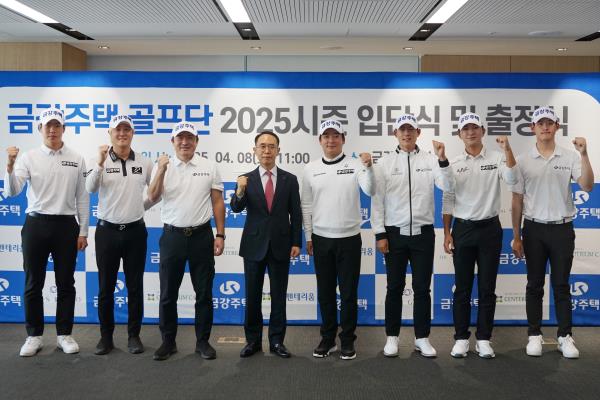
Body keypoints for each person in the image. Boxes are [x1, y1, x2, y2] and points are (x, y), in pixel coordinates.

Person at [4, 108, 89, 356]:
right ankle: (34, 336)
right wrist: (9, 166)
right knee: (33, 283)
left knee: (66, 283)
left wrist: (83, 231)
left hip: (66, 225)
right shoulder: (28, 157)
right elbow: (11, 191)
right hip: (36, 225)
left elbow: (82, 197)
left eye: (56, 125)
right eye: (47, 126)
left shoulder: (76, 158)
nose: (52, 130)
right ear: (40, 129)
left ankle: (64, 334)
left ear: (64, 129)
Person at [511, 106, 593, 359]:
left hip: (562, 229)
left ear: (557, 127)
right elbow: (517, 200)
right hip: (533, 228)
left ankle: (564, 336)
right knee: (534, 284)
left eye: (549, 123)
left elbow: (587, 185)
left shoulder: (570, 156)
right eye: (540, 123)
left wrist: (584, 154)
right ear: (532, 128)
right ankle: (534, 335)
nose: (545, 127)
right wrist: (516, 236)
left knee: (561, 285)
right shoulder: (523, 160)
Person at [371, 113, 453, 358]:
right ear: (395, 133)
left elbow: (447, 185)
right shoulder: (385, 163)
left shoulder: (430, 160)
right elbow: (377, 201)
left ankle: (422, 338)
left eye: (411, 129)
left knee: (422, 288)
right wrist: (380, 233)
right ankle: (392, 337)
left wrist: (442, 159)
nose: (406, 133)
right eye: (402, 129)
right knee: (394, 287)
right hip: (394, 234)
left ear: (418, 133)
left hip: (423, 234)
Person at [147, 121, 225, 361]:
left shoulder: (209, 166)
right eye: (180, 138)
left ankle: (203, 342)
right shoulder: (162, 166)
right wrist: (161, 170)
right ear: (173, 142)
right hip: (172, 237)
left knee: (204, 293)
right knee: (168, 293)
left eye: (189, 138)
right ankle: (168, 342)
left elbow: (217, 202)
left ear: (196, 141)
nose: (185, 142)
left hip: (201, 236)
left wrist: (220, 234)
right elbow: (152, 196)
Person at [442, 112, 516, 359]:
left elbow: (512, 178)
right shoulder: (453, 163)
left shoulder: (497, 158)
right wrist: (447, 232)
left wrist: (507, 150)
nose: (471, 132)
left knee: (487, 288)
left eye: (475, 128)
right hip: (462, 229)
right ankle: (461, 338)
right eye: (466, 129)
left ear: (483, 131)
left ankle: (484, 339)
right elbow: (448, 198)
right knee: (462, 288)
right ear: (459, 134)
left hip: (489, 229)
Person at [301, 119, 375, 360]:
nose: (331, 140)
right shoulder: (310, 168)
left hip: (349, 239)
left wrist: (369, 167)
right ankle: (328, 338)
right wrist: (308, 235)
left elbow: (371, 190)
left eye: (335, 136)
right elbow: (306, 205)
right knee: (325, 292)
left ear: (343, 139)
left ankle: (348, 340)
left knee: (349, 293)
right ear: (320, 140)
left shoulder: (356, 164)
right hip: (321, 238)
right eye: (326, 136)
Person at [85, 115, 155, 355]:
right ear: (110, 133)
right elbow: (90, 188)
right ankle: (106, 337)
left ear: (132, 133)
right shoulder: (99, 160)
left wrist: (139, 207)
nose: (122, 134)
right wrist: (100, 163)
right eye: (118, 130)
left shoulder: (145, 162)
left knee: (135, 287)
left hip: (136, 232)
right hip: (107, 232)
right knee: (106, 287)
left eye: (127, 130)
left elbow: (155, 193)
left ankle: (134, 336)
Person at [230, 131, 302, 358]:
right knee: (252, 296)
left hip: (281, 244)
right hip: (254, 245)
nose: (267, 150)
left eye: (271, 146)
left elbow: (296, 214)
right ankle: (252, 341)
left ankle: (277, 341)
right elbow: (235, 208)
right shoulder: (245, 179)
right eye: (262, 146)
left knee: (279, 296)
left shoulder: (289, 179)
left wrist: (296, 242)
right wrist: (240, 190)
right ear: (255, 150)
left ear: (278, 150)